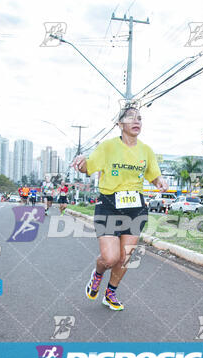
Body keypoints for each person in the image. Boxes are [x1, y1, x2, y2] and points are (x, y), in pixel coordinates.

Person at [71, 106, 168, 311]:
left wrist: (160, 181)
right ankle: (97, 274)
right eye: (131, 118)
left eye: (140, 118)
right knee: (110, 258)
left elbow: (154, 175)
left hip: (136, 209)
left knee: (125, 257)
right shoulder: (107, 147)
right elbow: (88, 167)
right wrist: (80, 163)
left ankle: (110, 293)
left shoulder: (146, 150)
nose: (137, 121)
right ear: (119, 124)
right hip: (109, 206)